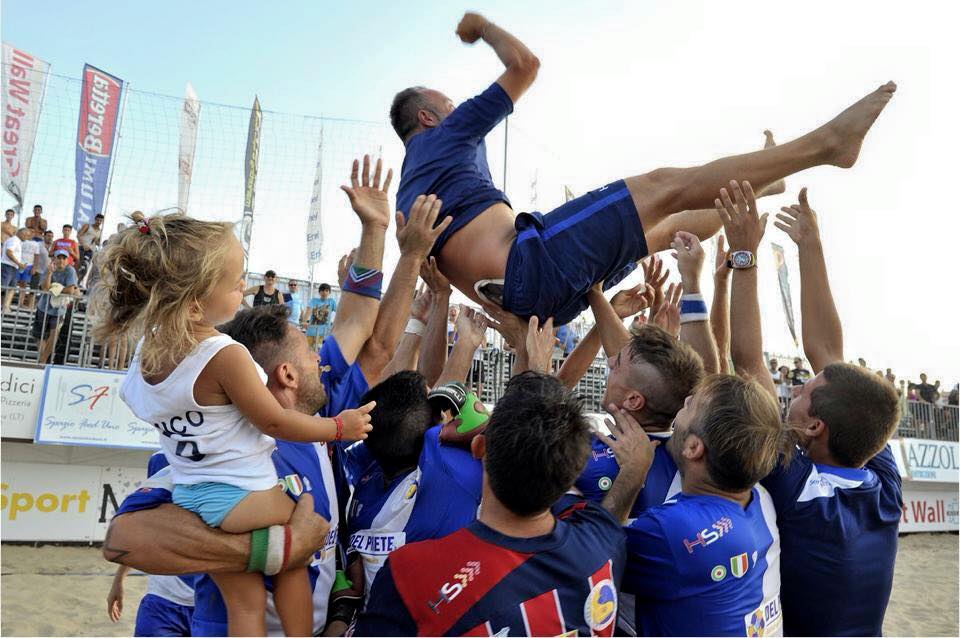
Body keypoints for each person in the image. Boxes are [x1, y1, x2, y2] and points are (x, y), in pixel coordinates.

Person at [389, 11, 896, 325]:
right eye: (449, 105)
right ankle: (827, 145)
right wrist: (483, 26)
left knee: (669, 230)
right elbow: (525, 65)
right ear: (429, 118)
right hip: (530, 261)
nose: (460, 110)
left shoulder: (409, 195)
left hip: (532, 302)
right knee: (665, 186)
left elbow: (440, 272)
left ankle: (764, 184)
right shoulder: (447, 135)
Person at [94, 212, 375, 637]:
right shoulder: (223, 354)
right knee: (297, 548)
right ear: (193, 304)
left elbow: (139, 400)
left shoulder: (145, 360)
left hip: (192, 497)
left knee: (244, 604)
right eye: (236, 280)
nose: (245, 285)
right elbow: (277, 420)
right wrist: (340, 427)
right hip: (243, 494)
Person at [729, 185, 903, 635]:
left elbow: (749, 364)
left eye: (803, 390)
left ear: (813, 426)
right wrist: (810, 245)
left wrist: (743, 255)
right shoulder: (879, 483)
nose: (796, 389)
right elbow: (829, 353)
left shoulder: (798, 488)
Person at [355, 371, 630, 636]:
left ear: (479, 448)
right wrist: (635, 471)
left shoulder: (410, 574)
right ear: (575, 469)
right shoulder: (602, 540)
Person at [344, 370, 484, 601]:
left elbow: (391, 423)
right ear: (435, 433)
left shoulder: (368, 465)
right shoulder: (451, 473)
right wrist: (475, 411)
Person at [107, 453, 195, 637]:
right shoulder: (161, 458)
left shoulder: (238, 453)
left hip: (212, 601)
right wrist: (119, 580)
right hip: (163, 598)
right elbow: (146, 525)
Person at [34, 249, 79, 363]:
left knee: (54, 334)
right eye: (59, 257)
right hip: (43, 306)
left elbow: (71, 290)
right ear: (54, 259)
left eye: (64, 258)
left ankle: (42, 360)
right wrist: (49, 273)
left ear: (67, 260)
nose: (61, 260)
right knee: (39, 336)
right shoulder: (48, 268)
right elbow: (44, 287)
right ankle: (43, 360)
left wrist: (55, 288)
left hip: (59, 309)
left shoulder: (70, 270)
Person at [2, 227, 31, 312]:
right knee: (3, 286)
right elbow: (9, 252)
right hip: (7, 266)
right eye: (26, 235)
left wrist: (19, 265)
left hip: (13, 267)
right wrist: (19, 264)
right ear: (21, 233)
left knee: (12, 288)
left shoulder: (17, 241)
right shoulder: (14, 240)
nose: (27, 237)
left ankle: (6, 307)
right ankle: (5, 307)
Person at [16, 227, 43, 309]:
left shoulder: (36, 244)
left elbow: (37, 256)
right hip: (17, 264)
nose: (31, 233)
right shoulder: (20, 241)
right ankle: (7, 302)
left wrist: (34, 268)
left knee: (23, 284)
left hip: (28, 266)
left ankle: (20, 303)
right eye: (29, 231)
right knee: (13, 283)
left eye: (33, 232)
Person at [306, 283, 337, 350]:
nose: (324, 292)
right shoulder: (314, 300)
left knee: (319, 353)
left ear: (329, 292)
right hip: (312, 331)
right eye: (322, 290)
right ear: (319, 292)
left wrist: (336, 325)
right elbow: (308, 310)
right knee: (308, 350)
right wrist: (304, 321)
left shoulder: (331, 302)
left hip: (324, 333)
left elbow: (339, 313)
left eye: (326, 291)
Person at [77, 213, 104, 279]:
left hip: (91, 250)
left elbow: (97, 243)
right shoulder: (87, 226)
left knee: (86, 266)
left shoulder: (100, 231)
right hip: (82, 248)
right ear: (95, 219)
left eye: (100, 221)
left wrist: (97, 241)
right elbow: (78, 235)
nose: (99, 222)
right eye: (97, 220)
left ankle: (79, 282)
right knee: (79, 265)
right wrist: (83, 244)